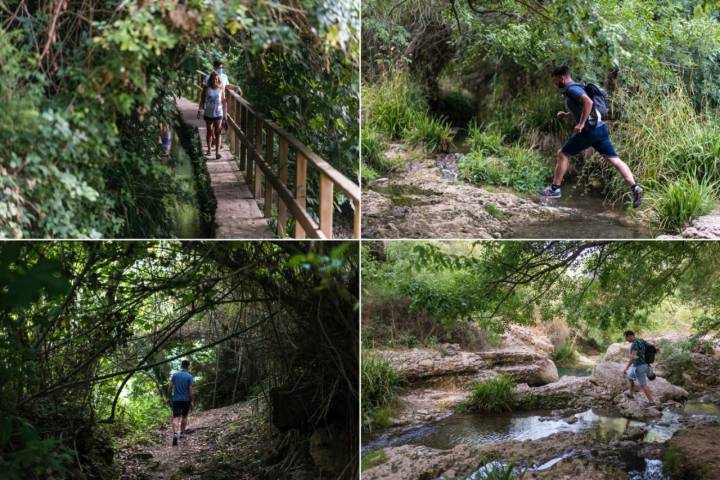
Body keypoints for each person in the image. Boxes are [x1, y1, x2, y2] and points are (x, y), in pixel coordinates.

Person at [539, 65, 643, 208]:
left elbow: (589, 102)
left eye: (555, 80)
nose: (554, 83)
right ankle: (635, 187)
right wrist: (568, 114)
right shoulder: (578, 86)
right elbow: (584, 106)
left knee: (562, 154)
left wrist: (581, 123)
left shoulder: (571, 88)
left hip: (589, 131)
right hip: (600, 129)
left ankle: (554, 189)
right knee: (615, 160)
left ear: (562, 78)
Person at [197, 71, 225, 159]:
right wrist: (199, 110)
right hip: (208, 112)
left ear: (218, 80)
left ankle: (217, 153)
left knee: (218, 132)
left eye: (216, 79)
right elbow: (202, 99)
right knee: (209, 131)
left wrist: (225, 113)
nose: (215, 80)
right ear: (210, 80)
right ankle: (209, 150)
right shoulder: (206, 88)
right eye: (213, 79)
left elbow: (223, 101)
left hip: (218, 112)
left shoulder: (221, 88)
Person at [622, 330, 654, 404]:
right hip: (643, 364)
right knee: (630, 378)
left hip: (639, 366)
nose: (626, 340)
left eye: (626, 338)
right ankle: (631, 394)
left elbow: (633, 358)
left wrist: (626, 368)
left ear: (630, 336)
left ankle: (651, 402)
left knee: (643, 385)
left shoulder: (635, 344)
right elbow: (651, 347)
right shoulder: (641, 340)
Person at [168, 359, 194, 446]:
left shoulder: (175, 375)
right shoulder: (189, 376)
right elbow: (190, 390)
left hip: (176, 400)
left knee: (175, 417)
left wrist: (169, 397)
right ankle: (182, 433)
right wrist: (191, 400)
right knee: (184, 416)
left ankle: (175, 434)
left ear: (181, 365)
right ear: (188, 366)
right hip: (186, 400)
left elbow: (170, 387)